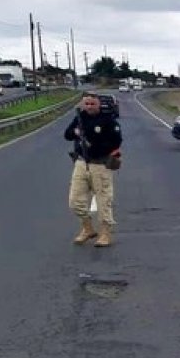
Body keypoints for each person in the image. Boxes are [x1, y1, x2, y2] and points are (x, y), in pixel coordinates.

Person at [64, 92, 122, 247]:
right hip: (82, 163)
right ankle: (87, 228)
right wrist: (77, 133)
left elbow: (116, 141)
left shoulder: (108, 120)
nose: (89, 107)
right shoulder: (79, 117)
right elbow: (67, 135)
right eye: (86, 104)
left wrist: (93, 141)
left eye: (92, 104)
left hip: (100, 165)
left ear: (98, 105)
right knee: (75, 201)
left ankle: (105, 234)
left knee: (104, 201)